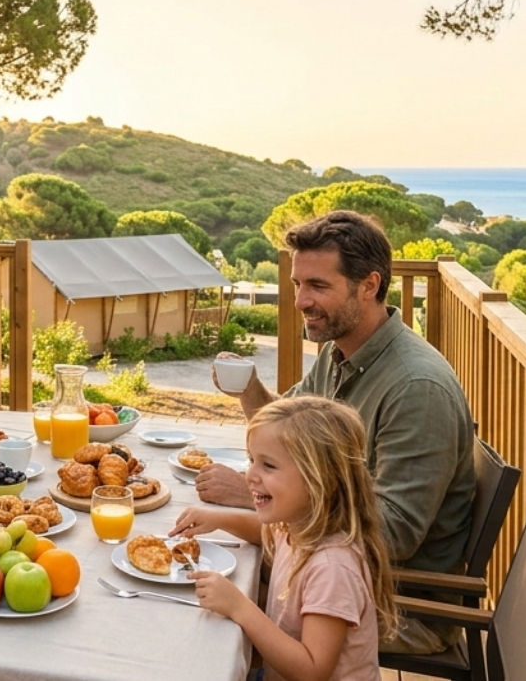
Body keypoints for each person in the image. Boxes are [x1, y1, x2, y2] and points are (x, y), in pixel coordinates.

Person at [198, 210, 474, 656]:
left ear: (369, 285)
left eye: (318, 286)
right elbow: (286, 435)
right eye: (297, 285)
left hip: (393, 602)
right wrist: (249, 390)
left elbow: (394, 533)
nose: (300, 301)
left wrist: (254, 497)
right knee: (197, 570)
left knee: (204, 611)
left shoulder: (416, 389)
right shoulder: (342, 351)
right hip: (327, 567)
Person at [173, 396, 397, 681]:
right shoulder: (295, 527)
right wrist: (217, 519)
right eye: (251, 460)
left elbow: (313, 669)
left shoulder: (332, 568)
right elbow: (264, 532)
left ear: (319, 479)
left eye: (268, 465)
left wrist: (240, 606)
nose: (250, 475)